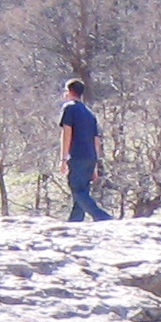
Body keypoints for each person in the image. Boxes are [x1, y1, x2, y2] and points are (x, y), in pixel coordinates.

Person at [58, 79, 113, 222]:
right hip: (90, 157)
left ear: (70, 92)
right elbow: (96, 140)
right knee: (83, 190)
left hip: (77, 156)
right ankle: (75, 222)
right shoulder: (90, 114)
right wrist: (94, 164)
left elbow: (67, 133)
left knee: (77, 190)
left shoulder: (69, 108)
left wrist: (64, 158)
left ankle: (102, 217)